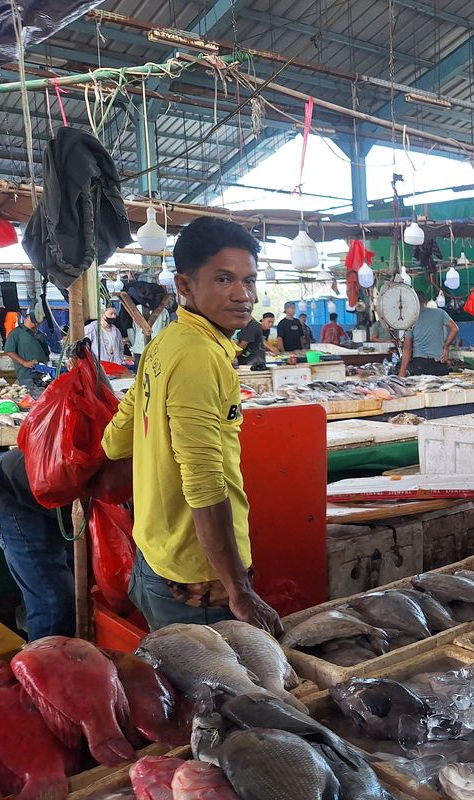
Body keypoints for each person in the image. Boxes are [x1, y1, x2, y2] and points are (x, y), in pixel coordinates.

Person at [101, 217, 281, 633]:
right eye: (223, 279)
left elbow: (116, 440)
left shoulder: (164, 342)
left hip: (155, 554)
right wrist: (238, 591)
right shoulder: (199, 355)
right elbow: (204, 484)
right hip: (198, 578)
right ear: (184, 285)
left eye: (249, 281)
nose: (243, 295)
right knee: (219, 694)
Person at [0, 450, 72, 640]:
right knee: (53, 602)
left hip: (50, 498)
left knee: (64, 589)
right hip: (13, 494)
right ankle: (43, 665)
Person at [400, 294, 459, 377]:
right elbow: (455, 329)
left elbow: (407, 348)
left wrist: (402, 372)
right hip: (439, 363)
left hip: (420, 364)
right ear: (426, 302)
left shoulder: (411, 319)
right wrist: (446, 347)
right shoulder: (440, 313)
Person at [121, 292, 171, 373]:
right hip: (157, 349)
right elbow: (166, 330)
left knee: (140, 376)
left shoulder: (137, 309)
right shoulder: (164, 312)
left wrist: (133, 344)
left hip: (140, 349)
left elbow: (132, 328)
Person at [2, 311, 51, 389]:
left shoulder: (40, 335)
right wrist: (24, 363)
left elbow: (46, 354)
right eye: (36, 322)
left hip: (42, 375)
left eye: (39, 322)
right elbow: (9, 351)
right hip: (27, 375)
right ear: (30, 319)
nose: (38, 325)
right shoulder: (16, 333)